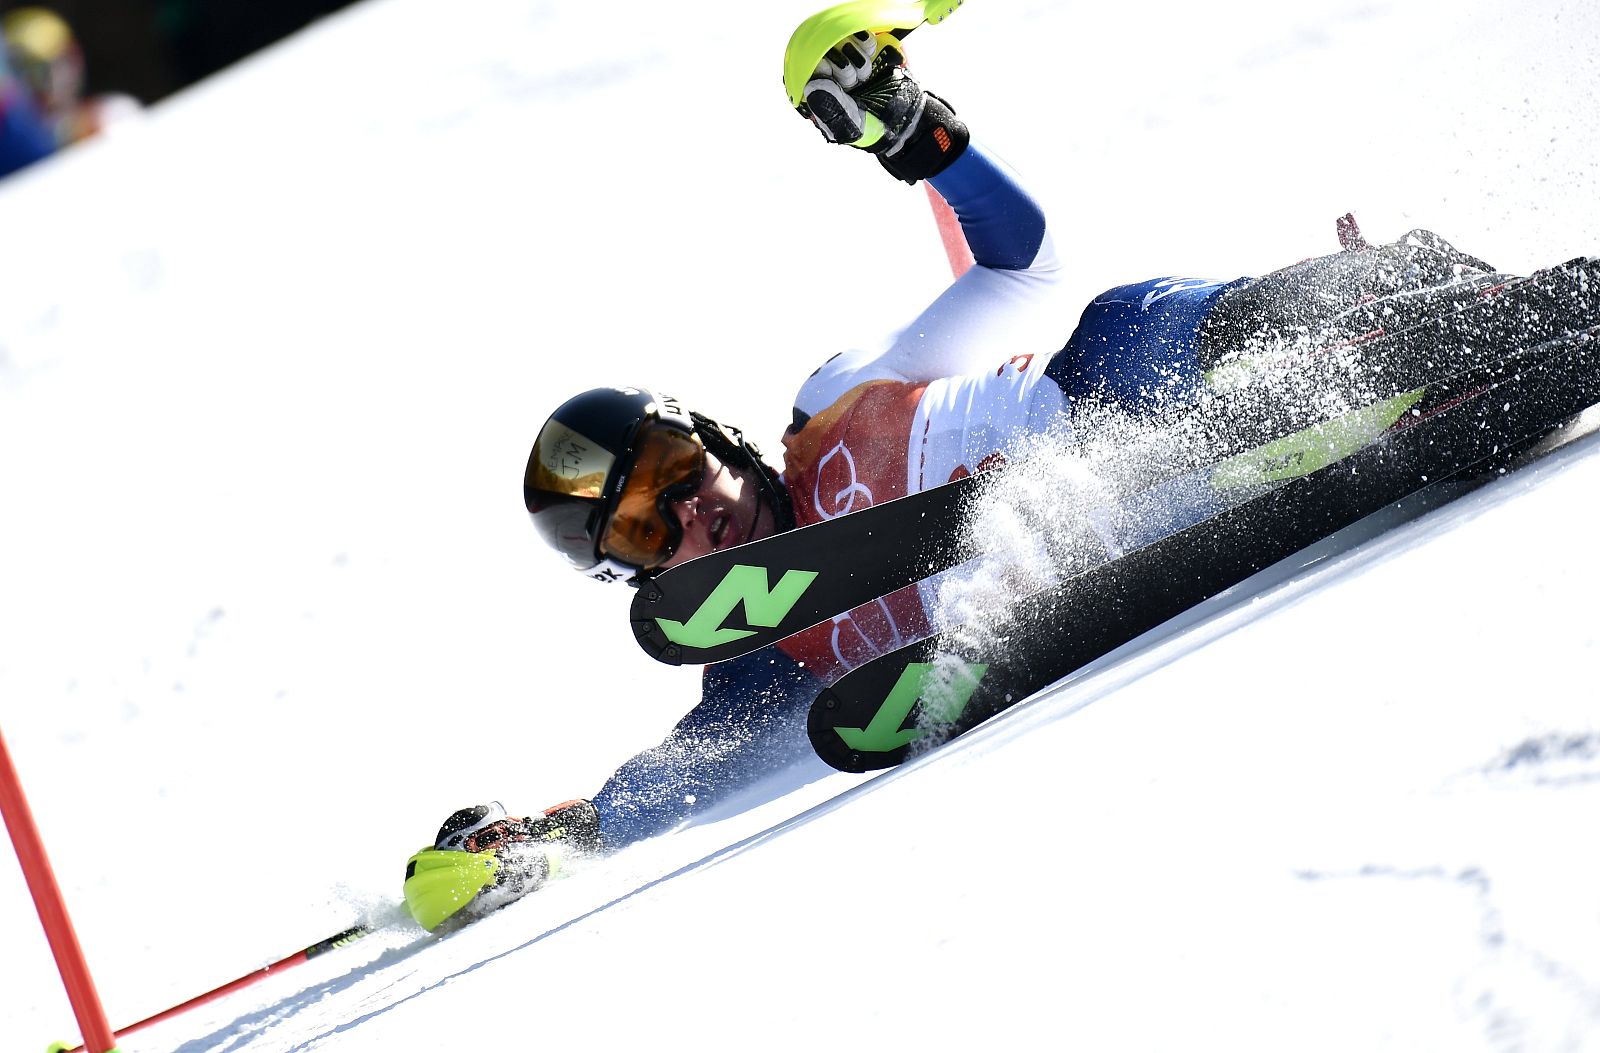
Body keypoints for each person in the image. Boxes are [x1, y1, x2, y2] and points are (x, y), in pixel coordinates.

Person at [403, 26, 1516, 930]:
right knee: (1213, 395)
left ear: (719, 440)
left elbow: (1024, 261)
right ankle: (1405, 383)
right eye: (648, 534)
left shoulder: (835, 402)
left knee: (1121, 333)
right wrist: (536, 842)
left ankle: (1408, 316)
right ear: (638, 580)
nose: (690, 513)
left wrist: (913, 133)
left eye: (674, 472)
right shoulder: (766, 656)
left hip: (1103, 391)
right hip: (1160, 512)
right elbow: (659, 787)